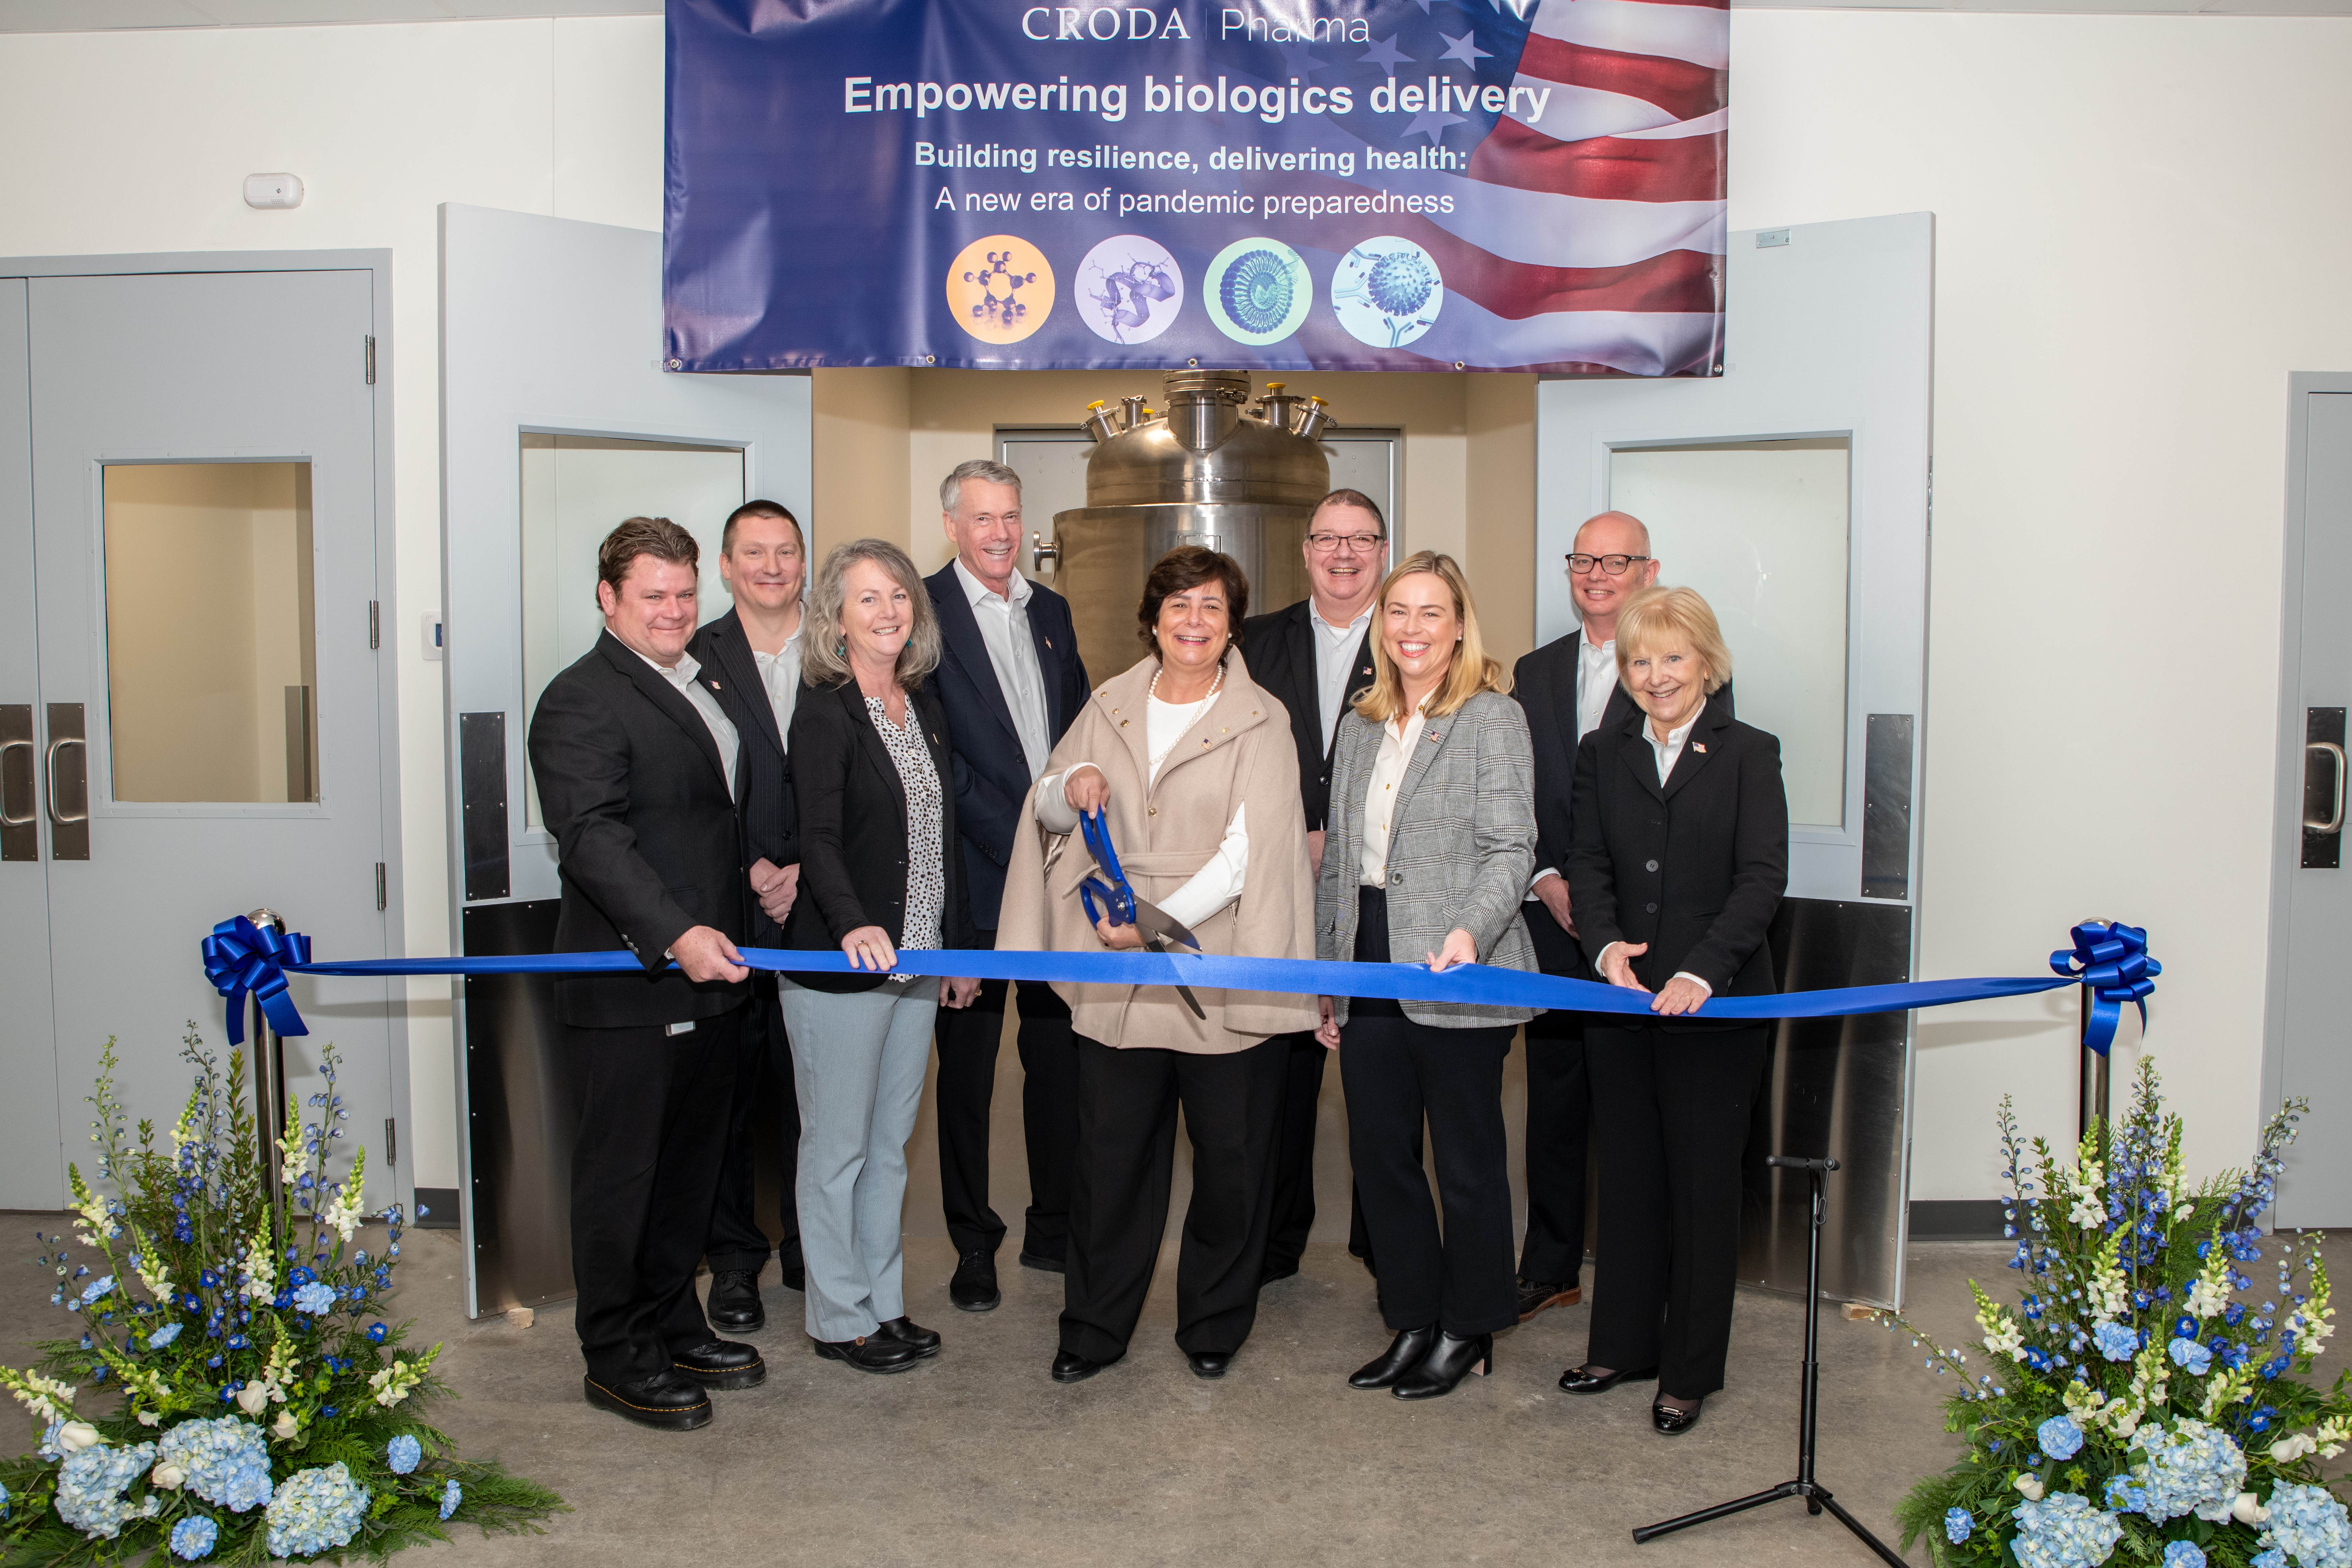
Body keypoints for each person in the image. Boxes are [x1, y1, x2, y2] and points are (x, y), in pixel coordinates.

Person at [998, 546, 1317, 1384]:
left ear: (1233, 625)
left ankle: (1213, 1322)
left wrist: (1154, 923)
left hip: (1220, 960)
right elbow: (1046, 802)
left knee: (1231, 1162)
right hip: (1120, 973)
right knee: (1109, 1162)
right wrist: (1077, 777)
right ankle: (1093, 1327)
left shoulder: (1264, 719)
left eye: (1212, 607)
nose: (1194, 621)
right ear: (1153, 619)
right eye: (1179, 605)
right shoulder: (1108, 703)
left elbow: (1251, 852)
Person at [526, 515, 763, 1431]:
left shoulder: (697, 680)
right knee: (623, 1178)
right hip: (634, 984)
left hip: (712, 977)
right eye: (653, 594)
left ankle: (672, 1320)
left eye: (684, 592)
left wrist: (754, 875)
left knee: (688, 1171)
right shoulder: (580, 699)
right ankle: (617, 1353)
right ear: (608, 597)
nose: (674, 609)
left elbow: (704, 816)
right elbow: (591, 836)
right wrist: (675, 931)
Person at [1560, 584, 1786, 1436]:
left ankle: (1689, 1370)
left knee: (1700, 1186)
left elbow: (1762, 879)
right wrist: (1604, 948)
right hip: (1621, 999)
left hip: (1716, 1008)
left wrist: (1702, 971)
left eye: (1672, 658)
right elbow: (1588, 862)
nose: (1656, 676)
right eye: (1639, 661)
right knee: (1627, 1177)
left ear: (1708, 663)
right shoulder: (1602, 750)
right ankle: (1621, 1346)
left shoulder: (1749, 752)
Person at [1315, 551, 1539, 1400]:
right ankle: (1411, 1317)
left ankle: (1469, 1328)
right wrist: (1330, 978)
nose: (1412, 628)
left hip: (1459, 960)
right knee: (1381, 1156)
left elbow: (1511, 848)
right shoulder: (1360, 724)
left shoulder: (1492, 718)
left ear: (1459, 626)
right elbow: (1341, 863)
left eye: (1431, 612)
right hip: (1369, 952)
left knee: (1467, 1161)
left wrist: (1470, 931)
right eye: (1399, 612)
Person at [1513, 511, 1736, 1324]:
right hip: (1552, 916)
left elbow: (1703, 806)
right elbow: (1519, 789)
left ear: (1649, 570)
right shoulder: (1535, 671)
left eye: (1617, 561)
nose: (1597, 575)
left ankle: (1648, 1279)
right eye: (1584, 560)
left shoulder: (1686, 668)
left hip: (1647, 937)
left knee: (1647, 1116)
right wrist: (1547, 877)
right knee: (1555, 1103)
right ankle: (1550, 1266)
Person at [779, 538, 981, 1374]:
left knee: (889, 1146)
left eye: (898, 594)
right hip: (843, 967)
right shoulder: (824, 712)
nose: (889, 610)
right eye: (868, 598)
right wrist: (853, 923)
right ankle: (837, 1316)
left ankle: (882, 1303)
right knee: (837, 1150)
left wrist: (956, 950)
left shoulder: (919, 703)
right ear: (836, 617)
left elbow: (941, 838)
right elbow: (818, 839)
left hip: (919, 962)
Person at [923, 460, 1092, 1312]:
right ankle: (972, 1241)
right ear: (951, 525)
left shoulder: (1050, 611)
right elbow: (934, 756)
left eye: (1011, 516)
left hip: (1058, 881)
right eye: (983, 518)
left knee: (1057, 1059)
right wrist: (1024, 833)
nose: (1000, 534)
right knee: (968, 1076)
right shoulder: (922, 612)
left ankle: (1054, 1225)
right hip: (974, 880)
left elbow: (1081, 729)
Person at [1237, 488, 1385, 1285]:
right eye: (1328, 538)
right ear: (1305, 552)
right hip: (1280, 884)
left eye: (1361, 539)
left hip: (1378, 891)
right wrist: (1288, 836)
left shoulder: (1412, 637)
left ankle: (1381, 1238)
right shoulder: (1256, 641)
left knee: (1380, 1068)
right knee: (1284, 1071)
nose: (1343, 554)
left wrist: (1344, 839)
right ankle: (1276, 1239)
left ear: (1383, 552)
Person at [694, 500, 809, 1333]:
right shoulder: (692, 658)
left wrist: (809, 869)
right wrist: (749, 866)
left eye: (786, 551)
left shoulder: (843, 650)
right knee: (728, 1098)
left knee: (818, 1094)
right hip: (728, 914)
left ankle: (812, 1247)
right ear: (727, 566)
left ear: (805, 562)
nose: (772, 567)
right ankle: (735, 1263)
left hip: (822, 912)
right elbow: (685, 791)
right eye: (755, 553)